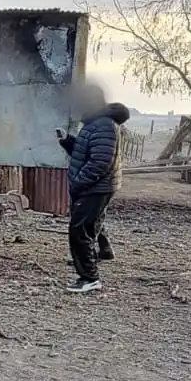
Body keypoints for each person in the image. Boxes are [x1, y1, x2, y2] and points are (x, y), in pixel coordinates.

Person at [58, 83, 128, 293]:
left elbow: (99, 162)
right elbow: (85, 152)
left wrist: (79, 182)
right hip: (95, 185)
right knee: (91, 226)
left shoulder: (104, 125)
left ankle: (89, 277)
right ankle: (95, 258)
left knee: (79, 229)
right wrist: (67, 142)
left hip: (95, 186)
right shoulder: (95, 123)